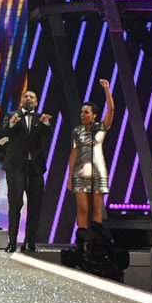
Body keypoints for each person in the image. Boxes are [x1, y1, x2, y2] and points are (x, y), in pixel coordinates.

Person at [0, 90, 53, 254]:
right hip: (15, 167)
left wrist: (46, 124)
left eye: (32, 97)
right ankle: (12, 242)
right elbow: (4, 134)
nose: (28, 98)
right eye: (25, 96)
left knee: (35, 205)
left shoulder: (40, 118)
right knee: (15, 204)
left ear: (36, 101)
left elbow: (47, 135)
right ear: (21, 100)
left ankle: (30, 242)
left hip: (35, 167)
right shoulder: (11, 115)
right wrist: (12, 124)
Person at [65, 80, 114, 240]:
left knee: (97, 211)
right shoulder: (76, 132)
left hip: (98, 172)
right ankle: (82, 243)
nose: (82, 115)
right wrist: (70, 176)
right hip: (80, 173)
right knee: (83, 210)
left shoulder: (100, 129)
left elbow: (111, 109)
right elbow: (73, 154)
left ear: (94, 115)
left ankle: (96, 243)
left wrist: (106, 89)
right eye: (82, 112)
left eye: (86, 112)